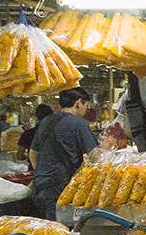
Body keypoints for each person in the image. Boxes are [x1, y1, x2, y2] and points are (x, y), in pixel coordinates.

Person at [30, 87, 99, 223]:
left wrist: (43, 172)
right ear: (78, 103)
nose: (86, 110)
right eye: (86, 105)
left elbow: (32, 154)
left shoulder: (46, 121)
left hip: (39, 187)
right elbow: (94, 157)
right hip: (61, 189)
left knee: (47, 231)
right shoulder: (79, 123)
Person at [18, 103, 55, 170]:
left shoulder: (28, 134)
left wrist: (30, 156)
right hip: (54, 170)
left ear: (36, 116)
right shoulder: (57, 133)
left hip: (34, 171)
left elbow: (19, 156)